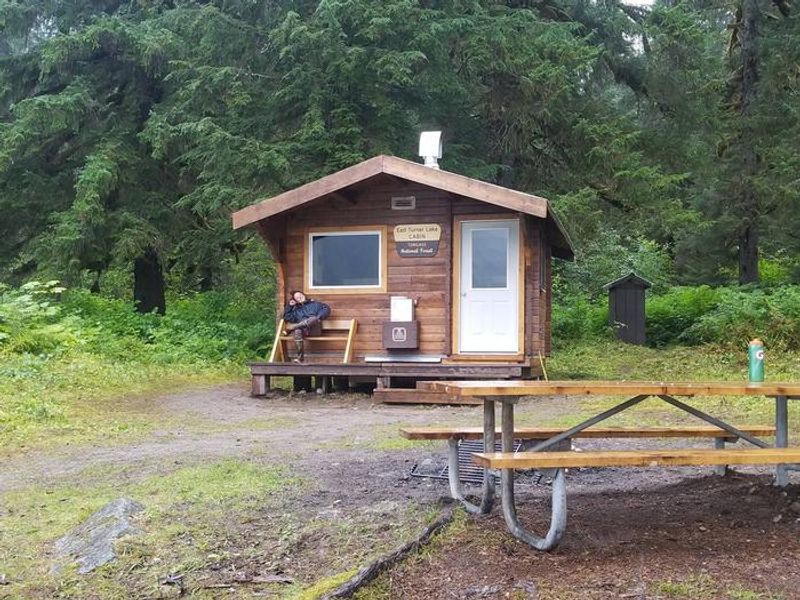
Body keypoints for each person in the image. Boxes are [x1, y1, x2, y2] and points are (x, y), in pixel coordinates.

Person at [282, 291, 331, 363]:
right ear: (295, 301)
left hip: (314, 330)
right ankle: (300, 358)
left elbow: (326, 308)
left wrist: (319, 317)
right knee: (297, 331)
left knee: (313, 319)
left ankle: (291, 329)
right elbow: (286, 317)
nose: (299, 297)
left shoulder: (315, 304)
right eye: (297, 297)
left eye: (300, 295)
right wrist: (290, 306)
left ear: (304, 295)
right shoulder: (296, 311)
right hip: (304, 331)